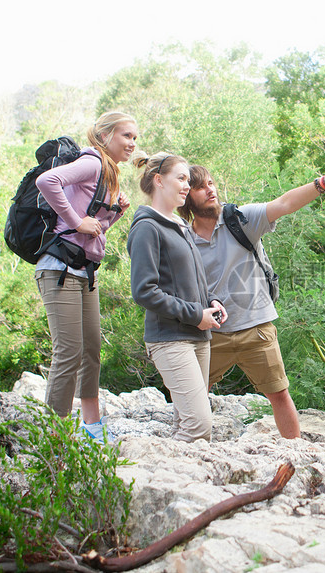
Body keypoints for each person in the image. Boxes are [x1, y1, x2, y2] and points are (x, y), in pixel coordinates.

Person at [180, 163, 325, 439]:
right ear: (186, 197)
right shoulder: (183, 238)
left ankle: (296, 454)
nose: (210, 190)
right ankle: (187, 451)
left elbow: (285, 203)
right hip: (211, 333)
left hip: (256, 327)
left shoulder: (239, 219)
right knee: (193, 393)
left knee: (278, 393)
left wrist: (322, 182)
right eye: (200, 187)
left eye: (211, 183)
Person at [34, 111, 136, 442]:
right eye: (126, 136)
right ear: (105, 137)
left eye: (135, 137)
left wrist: (115, 214)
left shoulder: (110, 174)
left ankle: (92, 427)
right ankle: (54, 436)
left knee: (91, 349)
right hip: (59, 269)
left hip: (85, 271)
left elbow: (95, 232)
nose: (132, 143)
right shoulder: (92, 162)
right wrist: (77, 221)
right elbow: (47, 182)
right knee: (69, 351)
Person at [127, 152, 227, 443]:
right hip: (169, 338)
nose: (187, 185)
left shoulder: (181, 225)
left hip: (198, 337)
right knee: (198, 425)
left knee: (189, 422)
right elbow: (144, 290)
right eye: (181, 178)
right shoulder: (147, 227)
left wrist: (212, 302)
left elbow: (193, 278)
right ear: (159, 180)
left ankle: (177, 481)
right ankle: (161, 484)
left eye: (187, 179)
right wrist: (197, 315)